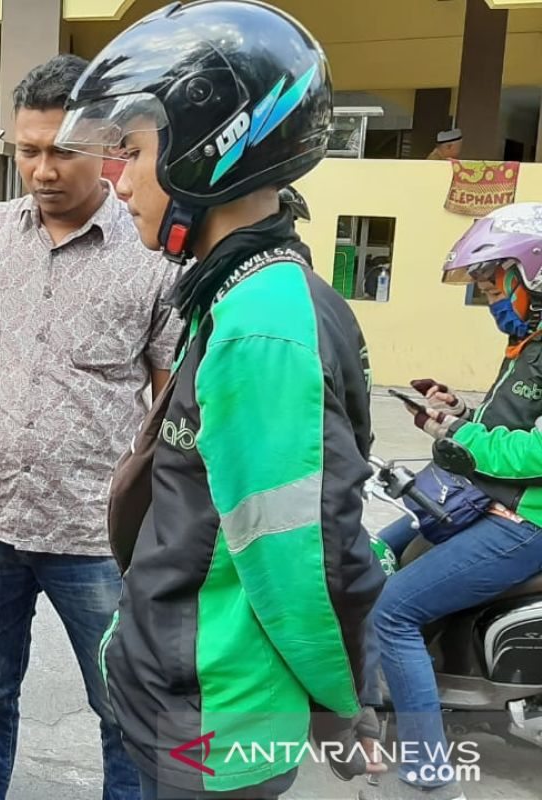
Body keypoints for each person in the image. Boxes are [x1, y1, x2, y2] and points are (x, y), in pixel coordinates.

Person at [57, 2, 386, 797]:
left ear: (213, 149)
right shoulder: (239, 294)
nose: (117, 178)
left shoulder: (261, 323)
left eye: (131, 150)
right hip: (187, 701)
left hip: (213, 726)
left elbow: (308, 558)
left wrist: (348, 710)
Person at [0, 54, 181, 800]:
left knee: (123, 704)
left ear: (107, 148)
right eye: (26, 150)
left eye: (61, 151)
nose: (41, 170)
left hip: (96, 535)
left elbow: (171, 397)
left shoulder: (151, 253)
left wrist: (166, 513)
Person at [361, 202, 542, 800]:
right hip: (482, 505)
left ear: (532, 275)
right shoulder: (529, 344)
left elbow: (535, 454)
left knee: (393, 610)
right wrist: (457, 413)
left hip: (522, 523)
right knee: (373, 553)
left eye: (496, 284)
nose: (490, 298)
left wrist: (459, 437)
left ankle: (428, 773)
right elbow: (509, 422)